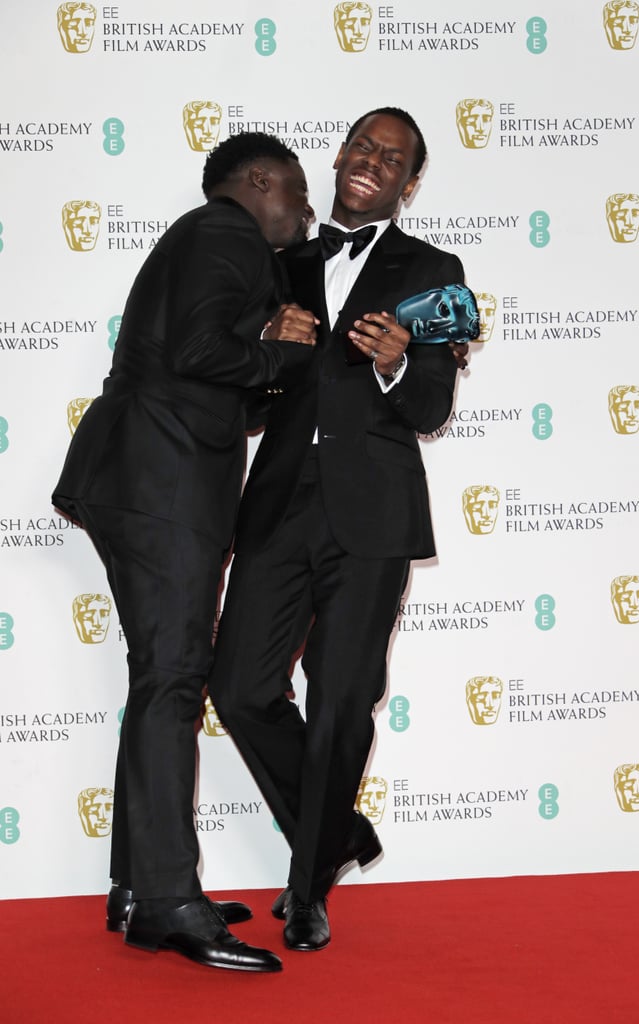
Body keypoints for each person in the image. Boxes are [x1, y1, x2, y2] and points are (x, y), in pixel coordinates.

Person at [52, 132, 317, 972]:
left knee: (159, 677)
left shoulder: (209, 242)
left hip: (148, 470)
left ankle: (138, 884)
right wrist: (285, 348)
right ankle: (169, 897)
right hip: (158, 479)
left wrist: (277, 368)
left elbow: (208, 377)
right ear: (260, 181)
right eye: (299, 197)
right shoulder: (223, 233)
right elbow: (205, 352)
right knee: (171, 677)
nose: (306, 215)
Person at [208, 107, 469, 951]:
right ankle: (337, 835)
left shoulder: (434, 270)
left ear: (409, 182)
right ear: (340, 156)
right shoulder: (280, 262)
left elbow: (430, 409)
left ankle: (307, 880)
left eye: (392, 157)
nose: (371, 162)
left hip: (376, 514)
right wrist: (264, 346)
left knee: (343, 698)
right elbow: (247, 400)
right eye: (362, 146)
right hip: (280, 505)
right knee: (240, 687)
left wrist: (396, 360)